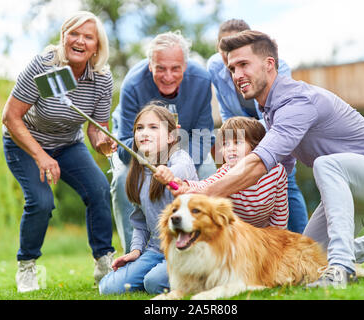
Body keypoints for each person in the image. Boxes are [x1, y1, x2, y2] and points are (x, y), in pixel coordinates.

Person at [198, 30, 364, 288]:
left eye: (243, 64)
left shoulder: (296, 101)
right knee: (306, 256)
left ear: (269, 64)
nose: (237, 75)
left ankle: (341, 270)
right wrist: (198, 187)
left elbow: (259, 162)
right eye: (232, 68)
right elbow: (275, 170)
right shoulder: (271, 111)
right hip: (352, 186)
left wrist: (203, 195)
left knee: (325, 163)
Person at [1, 11, 116, 292]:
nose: (79, 41)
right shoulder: (44, 66)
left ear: (97, 46)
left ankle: (104, 263)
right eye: (73, 34)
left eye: (88, 37)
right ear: (63, 37)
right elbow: (10, 117)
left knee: (100, 189)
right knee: (41, 202)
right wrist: (40, 155)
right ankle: (27, 266)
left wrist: (102, 142)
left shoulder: (101, 78)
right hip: (25, 142)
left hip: (67, 144)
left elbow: (95, 128)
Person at [110, 31, 216, 253]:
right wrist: (154, 165)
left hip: (182, 146)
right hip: (141, 151)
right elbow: (124, 147)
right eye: (160, 68)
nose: (168, 76)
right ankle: (135, 252)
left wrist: (179, 172)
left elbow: (203, 134)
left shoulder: (202, 80)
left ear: (185, 66)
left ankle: (206, 249)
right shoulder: (133, 83)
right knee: (121, 180)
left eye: (175, 68)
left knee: (208, 170)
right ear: (150, 65)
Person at [207, 19, 308, 234]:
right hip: (240, 131)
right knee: (233, 180)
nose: (229, 55)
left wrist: (253, 137)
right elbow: (225, 107)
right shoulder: (215, 66)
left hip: (269, 127)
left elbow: (277, 110)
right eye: (225, 49)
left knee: (285, 181)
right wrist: (232, 134)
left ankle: (300, 238)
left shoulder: (278, 66)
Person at [99, 104, 198, 295]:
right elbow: (141, 223)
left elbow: (180, 170)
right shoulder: (138, 174)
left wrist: (168, 174)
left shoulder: (179, 159)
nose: (144, 132)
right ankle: (165, 273)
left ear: (171, 136)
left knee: (153, 282)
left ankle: (197, 276)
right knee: (108, 287)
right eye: (139, 128)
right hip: (156, 250)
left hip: (186, 248)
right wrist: (136, 251)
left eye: (153, 127)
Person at [157, 116, 289, 229]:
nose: (230, 149)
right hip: (237, 233)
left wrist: (277, 239)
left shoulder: (276, 171)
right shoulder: (226, 173)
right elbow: (206, 185)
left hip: (266, 232)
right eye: (225, 144)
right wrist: (184, 185)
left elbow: (280, 212)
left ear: (255, 146)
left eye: (237, 142)